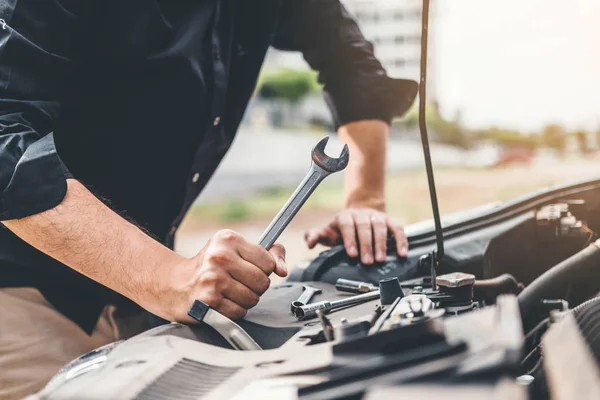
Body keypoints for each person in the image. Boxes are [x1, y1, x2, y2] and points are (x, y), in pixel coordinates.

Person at [0, 1, 417, 398]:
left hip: (142, 302)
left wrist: (365, 199)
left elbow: (352, 63)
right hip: (19, 294)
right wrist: (164, 275)